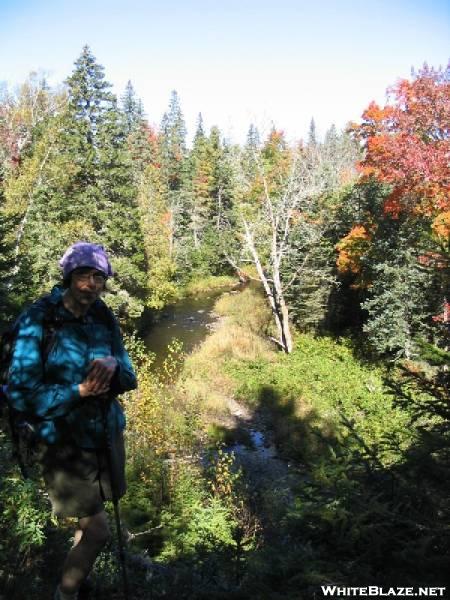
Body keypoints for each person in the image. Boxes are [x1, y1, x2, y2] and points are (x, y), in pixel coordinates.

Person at [7, 242, 137, 600]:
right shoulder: (39, 320)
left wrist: (113, 368)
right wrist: (78, 391)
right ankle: (63, 594)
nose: (92, 284)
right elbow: (21, 395)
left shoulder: (103, 316)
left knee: (89, 524)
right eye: (84, 274)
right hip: (64, 444)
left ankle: (76, 582)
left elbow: (129, 376)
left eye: (100, 277)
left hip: (106, 435)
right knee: (98, 532)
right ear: (68, 277)